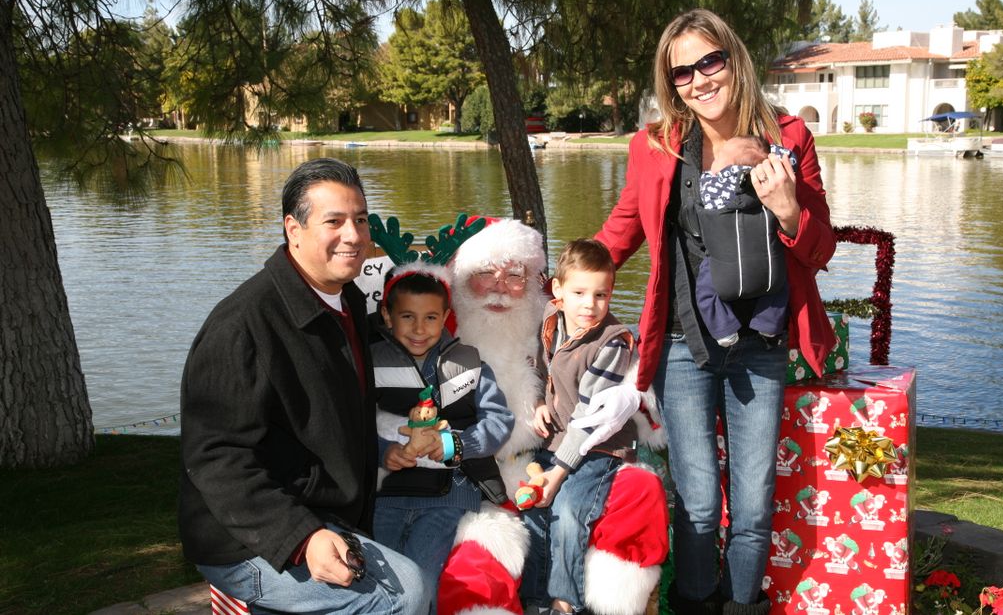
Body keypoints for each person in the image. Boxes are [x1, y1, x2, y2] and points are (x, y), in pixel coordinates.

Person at [593, 9, 837, 615]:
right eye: (682, 72)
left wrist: (786, 211)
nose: (699, 79)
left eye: (710, 60)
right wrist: (562, 280)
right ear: (670, 82)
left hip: (762, 343)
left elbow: (821, 245)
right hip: (683, 343)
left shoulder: (789, 136)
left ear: (734, 58)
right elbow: (622, 229)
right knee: (698, 502)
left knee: (752, 507)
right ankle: (697, 603)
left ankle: (743, 605)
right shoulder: (656, 146)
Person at [178, 158, 428, 614]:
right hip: (247, 540)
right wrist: (301, 538)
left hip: (326, 513)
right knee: (404, 592)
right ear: (293, 229)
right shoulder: (241, 328)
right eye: (334, 221)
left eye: (360, 219)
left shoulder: (345, 299)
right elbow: (216, 459)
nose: (353, 235)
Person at [436, 219, 668, 615]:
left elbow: (585, 402)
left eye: (513, 276)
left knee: (586, 504)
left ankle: (569, 602)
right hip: (479, 470)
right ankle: (539, 600)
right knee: (508, 537)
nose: (498, 286)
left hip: (578, 451)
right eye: (484, 274)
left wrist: (557, 467)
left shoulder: (573, 329)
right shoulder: (449, 341)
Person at [371, 261, 514, 610]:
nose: (419, 328)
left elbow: (499, 421)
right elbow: (348, 424)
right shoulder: (369, 362)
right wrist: (383, 451)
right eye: (407, 317)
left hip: (448, 495)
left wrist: (457, 444)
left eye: (431, 317)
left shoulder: (467, 363)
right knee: (377, 578)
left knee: (420, 579)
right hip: (384, 497)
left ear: (446, 315)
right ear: (387, 316)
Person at [522, 238, 636, 615]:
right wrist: (538, 401)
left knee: (568, 511)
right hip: (556, 441)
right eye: (579, 292)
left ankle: (565, 602)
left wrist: (557, 475)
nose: (590, 304)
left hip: (598, 445)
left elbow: (590, 419)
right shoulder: (550, 321)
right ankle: (534, 599)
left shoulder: (612, 342)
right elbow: (537, 369)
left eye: (601, 294)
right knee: (533, 509)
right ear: (558, 290)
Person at [695, 135, 791, 347]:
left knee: (705, 291)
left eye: (720, 156)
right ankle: (769, 325)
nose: (715, 159)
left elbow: (701, 191)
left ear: (730, 167)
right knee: (780, 289)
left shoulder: (716, 184)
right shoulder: (770, 182)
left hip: (723, 263)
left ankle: (725, 330)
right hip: (768, 265)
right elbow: (788, 158)